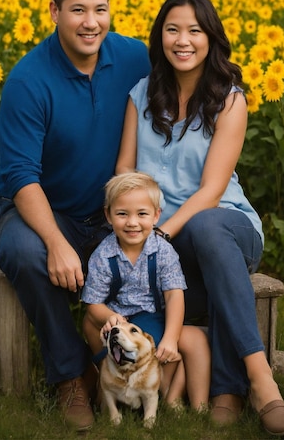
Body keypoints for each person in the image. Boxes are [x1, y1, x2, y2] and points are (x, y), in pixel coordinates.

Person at [115, 0, 284, 436]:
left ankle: (261, 383)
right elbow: (124, 169)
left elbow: (212, 191)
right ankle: (225, 390)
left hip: (227, 228)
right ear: (160, 36)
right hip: (170, 246)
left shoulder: (229, 101)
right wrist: (134, 227)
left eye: (194, 30)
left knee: (207, 226)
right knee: (196, 264)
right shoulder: (140, 95)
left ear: (210, 38)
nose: (183, 40)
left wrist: (157, 235)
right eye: (172, 29)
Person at [0, 0, 151, 431]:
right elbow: (21, 176)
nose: (90, 22)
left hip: (105, 211)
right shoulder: (28, 80)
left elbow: (182, 84)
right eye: (77, 9)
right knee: (26, 252)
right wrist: (57, 243)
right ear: (54, 11)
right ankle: (69, 376)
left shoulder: (135, 58)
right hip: (40, 207)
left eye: (100, 9)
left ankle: (131, 367)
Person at [82, 171, 210, 411]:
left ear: (156, 216)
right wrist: (110, 318)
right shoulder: (103, 254)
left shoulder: (162, 251)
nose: (132, 222)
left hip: (153, 318)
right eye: (122, 214)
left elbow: (173, 295)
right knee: (91, 322)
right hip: (117, 318)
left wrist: (171, 338)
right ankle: (111, 383)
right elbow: (93, 303)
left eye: (142, 214)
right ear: (108, 215)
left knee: (195, 341)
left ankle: (194, 404)